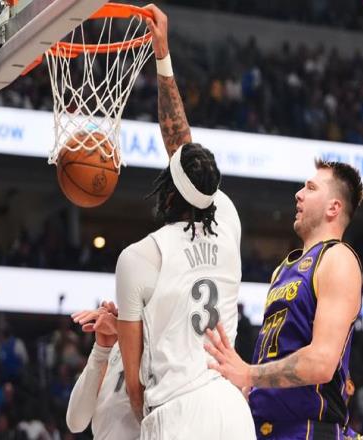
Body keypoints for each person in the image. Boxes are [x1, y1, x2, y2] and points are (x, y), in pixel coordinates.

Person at [115, 4, 255, 440]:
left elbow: (134, 389)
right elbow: (184, 152)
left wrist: (163, 55)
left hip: (179, 412)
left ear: (169, 193)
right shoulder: (227, 217)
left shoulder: (138, 258)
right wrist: (163, 54)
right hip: (233, 408)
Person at [205, 159, 363, 439]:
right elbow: (273, 356)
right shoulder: (283, 270)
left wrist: (248, 373)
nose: (299, 194)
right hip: (263, 427)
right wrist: (243, 387)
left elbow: (321, 362)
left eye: (311, 188)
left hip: (308, 429)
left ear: (333, 208)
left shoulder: (337, 258)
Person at [66, 301, 139, 439]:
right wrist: (100, 352)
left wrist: (122, 329)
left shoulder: (163, 346)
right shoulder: (118, 345)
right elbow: (76, 422)